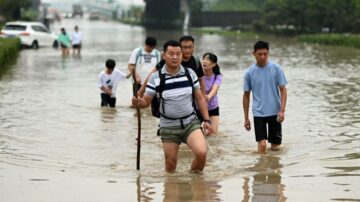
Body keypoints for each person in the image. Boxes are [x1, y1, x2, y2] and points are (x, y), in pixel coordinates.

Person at [132, 40, 213, 173]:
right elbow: (146, 101)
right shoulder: (156, 78)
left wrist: (206, 120)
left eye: (178, 54)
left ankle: (193, 182)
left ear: (182, 56)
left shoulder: (190, 74)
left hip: (190, 122)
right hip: (168, 126)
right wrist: (138, 102)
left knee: (201, 153)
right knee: (170, 166)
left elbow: (199, 98)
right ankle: (172, 187)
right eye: (171, 54)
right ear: (164, 55)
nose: (175, 57)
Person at [243, 41, 288, 153]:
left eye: (265, 54)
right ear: (253, 53)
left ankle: (272, 169)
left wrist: (282, 111)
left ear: (268, 53)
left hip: (275, 112)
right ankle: (261, 169)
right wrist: (246, 118)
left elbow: (283, 90)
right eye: (260, 54)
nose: (262, 57)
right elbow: (246, 96)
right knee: (262, 145)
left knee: (275, 148)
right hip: (258, 113)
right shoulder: (249, 73)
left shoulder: (276, 68)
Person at [201, 52, 223, 135]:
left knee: (213, 134)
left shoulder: (218, 76)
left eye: (208, 60)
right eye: (203, 59)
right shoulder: (198, 74)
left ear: (214, 64)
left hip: (212, 107)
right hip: (198, 108)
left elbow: (214, 89)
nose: (204, 61)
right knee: (197, 133)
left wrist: (208, 97)